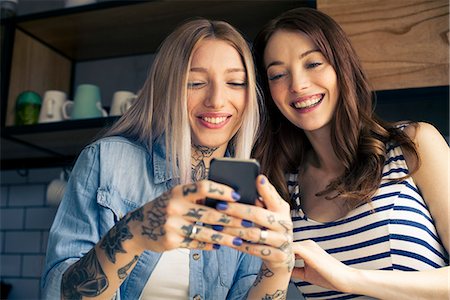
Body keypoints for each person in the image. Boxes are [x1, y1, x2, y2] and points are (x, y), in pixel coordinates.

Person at [42, 19, 294, 300]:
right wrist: (135, 231)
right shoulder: (107, 161)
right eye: (196, 82)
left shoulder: (252, 189)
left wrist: (279, 267)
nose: (217, 100)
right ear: (167, 88)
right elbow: (59, 294)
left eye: (235, 82)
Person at [253, 7, 449, 299]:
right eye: (278, 74)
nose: (298, 85)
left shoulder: (413, 144)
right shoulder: (280, 191)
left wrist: (350, 279)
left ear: (342, 66)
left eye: (313, 63)